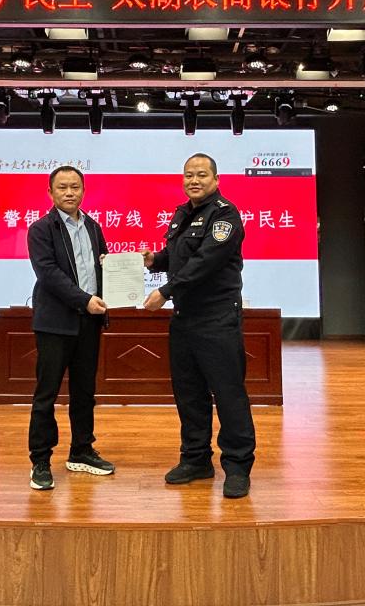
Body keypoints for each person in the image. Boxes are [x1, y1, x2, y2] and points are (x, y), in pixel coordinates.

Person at [142, 153, 255, 499]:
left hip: (217, 318)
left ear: (216, 180)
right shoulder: (182, 213)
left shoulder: (225, 215)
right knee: (189, 394)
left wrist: (166, 291)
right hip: (185, 318)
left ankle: (237, 467)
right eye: (189, 175)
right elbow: (180, 257)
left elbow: (205, 262)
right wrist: (154, 260)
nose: (194, 180)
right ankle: (196, 459)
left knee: (228, 394)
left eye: (202, 175)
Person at [26, 165, 115, 491]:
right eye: (62, 187)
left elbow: (104, 266)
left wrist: (121, 284)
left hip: (88, 323)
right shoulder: (41, 229)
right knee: (46, 394)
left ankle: (81, 450)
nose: (69, 192)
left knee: (84, 391)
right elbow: (49, 274)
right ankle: (40, 461)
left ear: (83, 191)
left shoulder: (93, 226)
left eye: (75, 187)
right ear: (50, 192)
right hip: (55, 323)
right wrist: (84, 300)